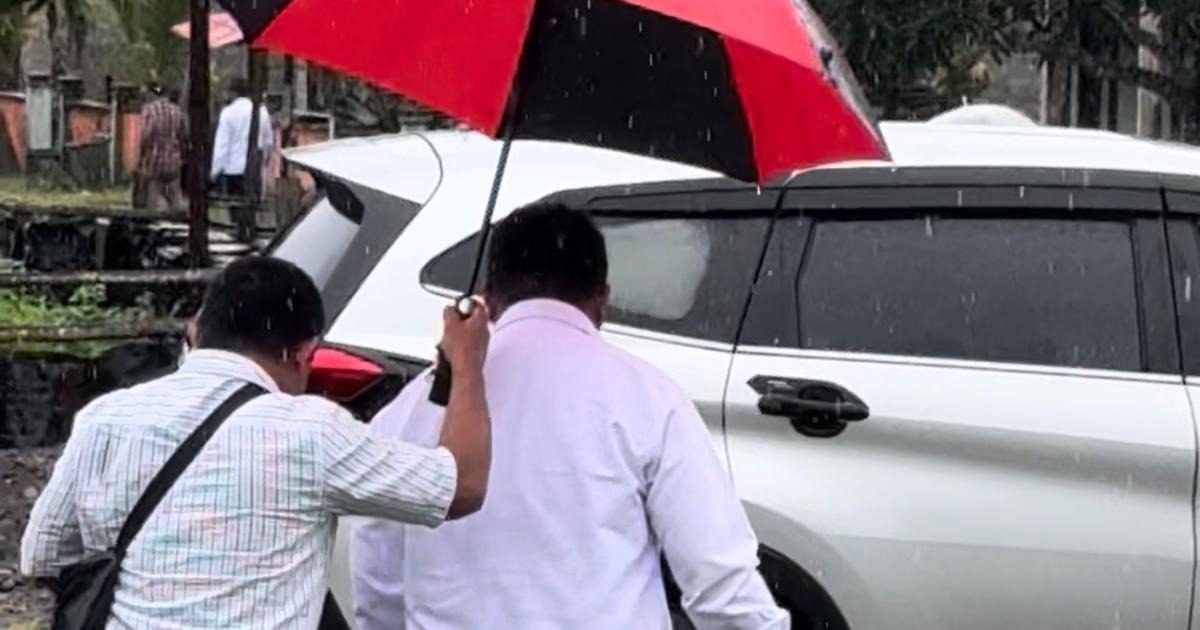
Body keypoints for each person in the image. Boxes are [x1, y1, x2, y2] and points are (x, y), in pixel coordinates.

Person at [353, 203, 789, 629]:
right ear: (602, 300)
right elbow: (719, 584)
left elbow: (378, 574)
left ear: (488, 298)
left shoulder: (415, 408)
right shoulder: (648, 398)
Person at [21, 256, 492, 628]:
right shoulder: (311, 432)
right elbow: (463, 486)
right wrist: (467, 363)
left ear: (194, 333)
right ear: (303, 353)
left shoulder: (104, 418)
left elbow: (42, 552)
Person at [211, 77, 273, 197]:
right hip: (255, 170)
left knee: (235, 203)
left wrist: (216, 170)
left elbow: (222, 145)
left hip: (233, 170)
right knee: (253, 205)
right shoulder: (262, 112)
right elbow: (268, 143)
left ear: (233, 93)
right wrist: (264, 163)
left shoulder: (228, 113)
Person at [135, 82, 187, 211]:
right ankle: (178, 214)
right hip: (173, 162)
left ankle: (157, 214)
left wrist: (139, 159)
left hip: (154, 161)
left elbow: (145, 136)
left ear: (152, 94)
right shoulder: (176, 111)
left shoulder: (149, 110)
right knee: (175, 195)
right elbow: (183, 135)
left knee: (153, 193)